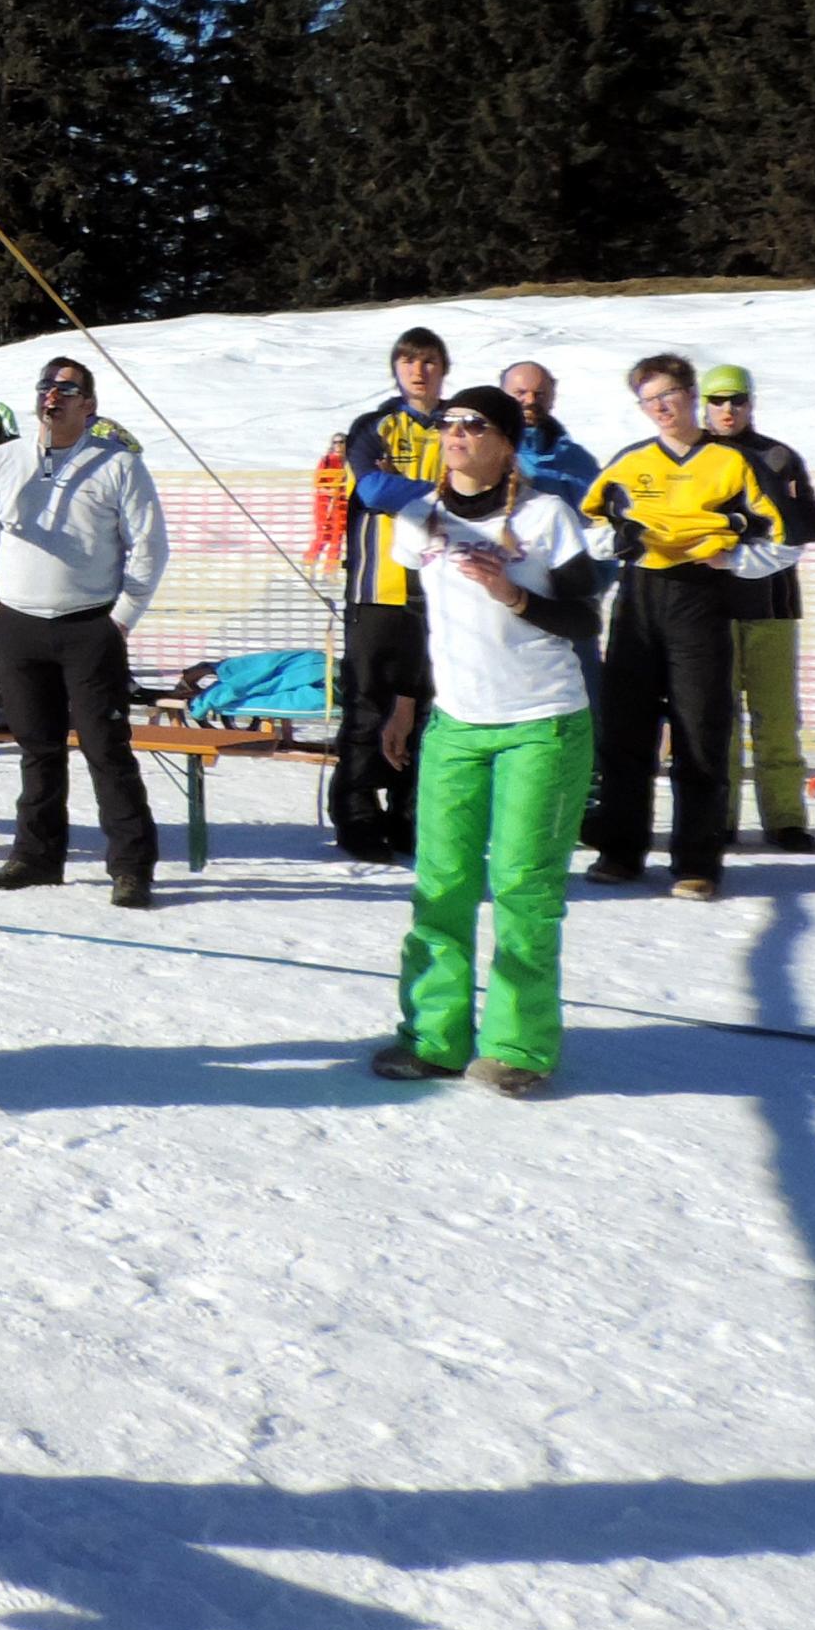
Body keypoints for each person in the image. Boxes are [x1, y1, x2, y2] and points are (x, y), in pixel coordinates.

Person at [367, 388, 602, 1097]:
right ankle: (433, 1038)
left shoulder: (545, 516)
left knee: (524, 889)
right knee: (441, 886)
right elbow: (421, 621)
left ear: (506, 443)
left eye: (475, 425)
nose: (457, 433)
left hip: (542, 724)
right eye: (449, 424)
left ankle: (517, 1046)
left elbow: (585, 620)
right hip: (457, 726)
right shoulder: (419, 518)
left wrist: (513, 594)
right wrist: (406, 705)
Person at [0, 358, 172, 905]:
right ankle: (36, 856)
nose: (52, 396)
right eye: (45, 387)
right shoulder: (4, 460)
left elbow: (149, 545)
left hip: (90, 626)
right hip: (18, 625)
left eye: (66, 389)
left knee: (106, 749)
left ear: (89, 404)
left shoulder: (118, 465)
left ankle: (130, 867)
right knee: (37, 748)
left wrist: (122, 617)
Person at [576, 353, 788, 901]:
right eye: (649, 399)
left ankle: (696, 861)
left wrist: (734, 559)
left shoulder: (731, 462)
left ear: (691, 395)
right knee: (625, 733)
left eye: (669, 394)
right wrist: (618, 540)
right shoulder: (630, 462)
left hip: (701, 600)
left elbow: (786, 537)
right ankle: (621, 852)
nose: (661, 407)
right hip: (638, 602)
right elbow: (589, 526)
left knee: (700, 733)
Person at [332, 328, 456, 865]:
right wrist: (443, 492)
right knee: (366, 706)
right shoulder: (375, 426)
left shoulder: (460, 425)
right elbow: (374, 489)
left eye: (429, 362)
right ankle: (357, 815)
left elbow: (483, 486)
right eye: (408, 361)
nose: (418, 371)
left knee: (431, 706)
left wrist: (413, 488)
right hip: (377, 588)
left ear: (443, 368)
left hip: (444, 590)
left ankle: (410, 814)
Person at [701, 365, 815, 855]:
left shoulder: (777, 456)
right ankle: (718, 818)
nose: (728, 410)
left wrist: (767, 518)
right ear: (703, 405)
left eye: (736, 400)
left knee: (776, 718)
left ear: (751, 403)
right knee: (718, 720)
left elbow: (812, 524)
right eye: (718, 400)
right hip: (709, 608)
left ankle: (785, 819)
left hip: (773, 605)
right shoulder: (693, 457)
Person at [497, 364, 600, 507]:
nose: (531, 400)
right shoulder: (486, 454)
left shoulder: (577, 459)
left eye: (539, 394)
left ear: (552, 398)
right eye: (520, 393)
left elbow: (597, 514)